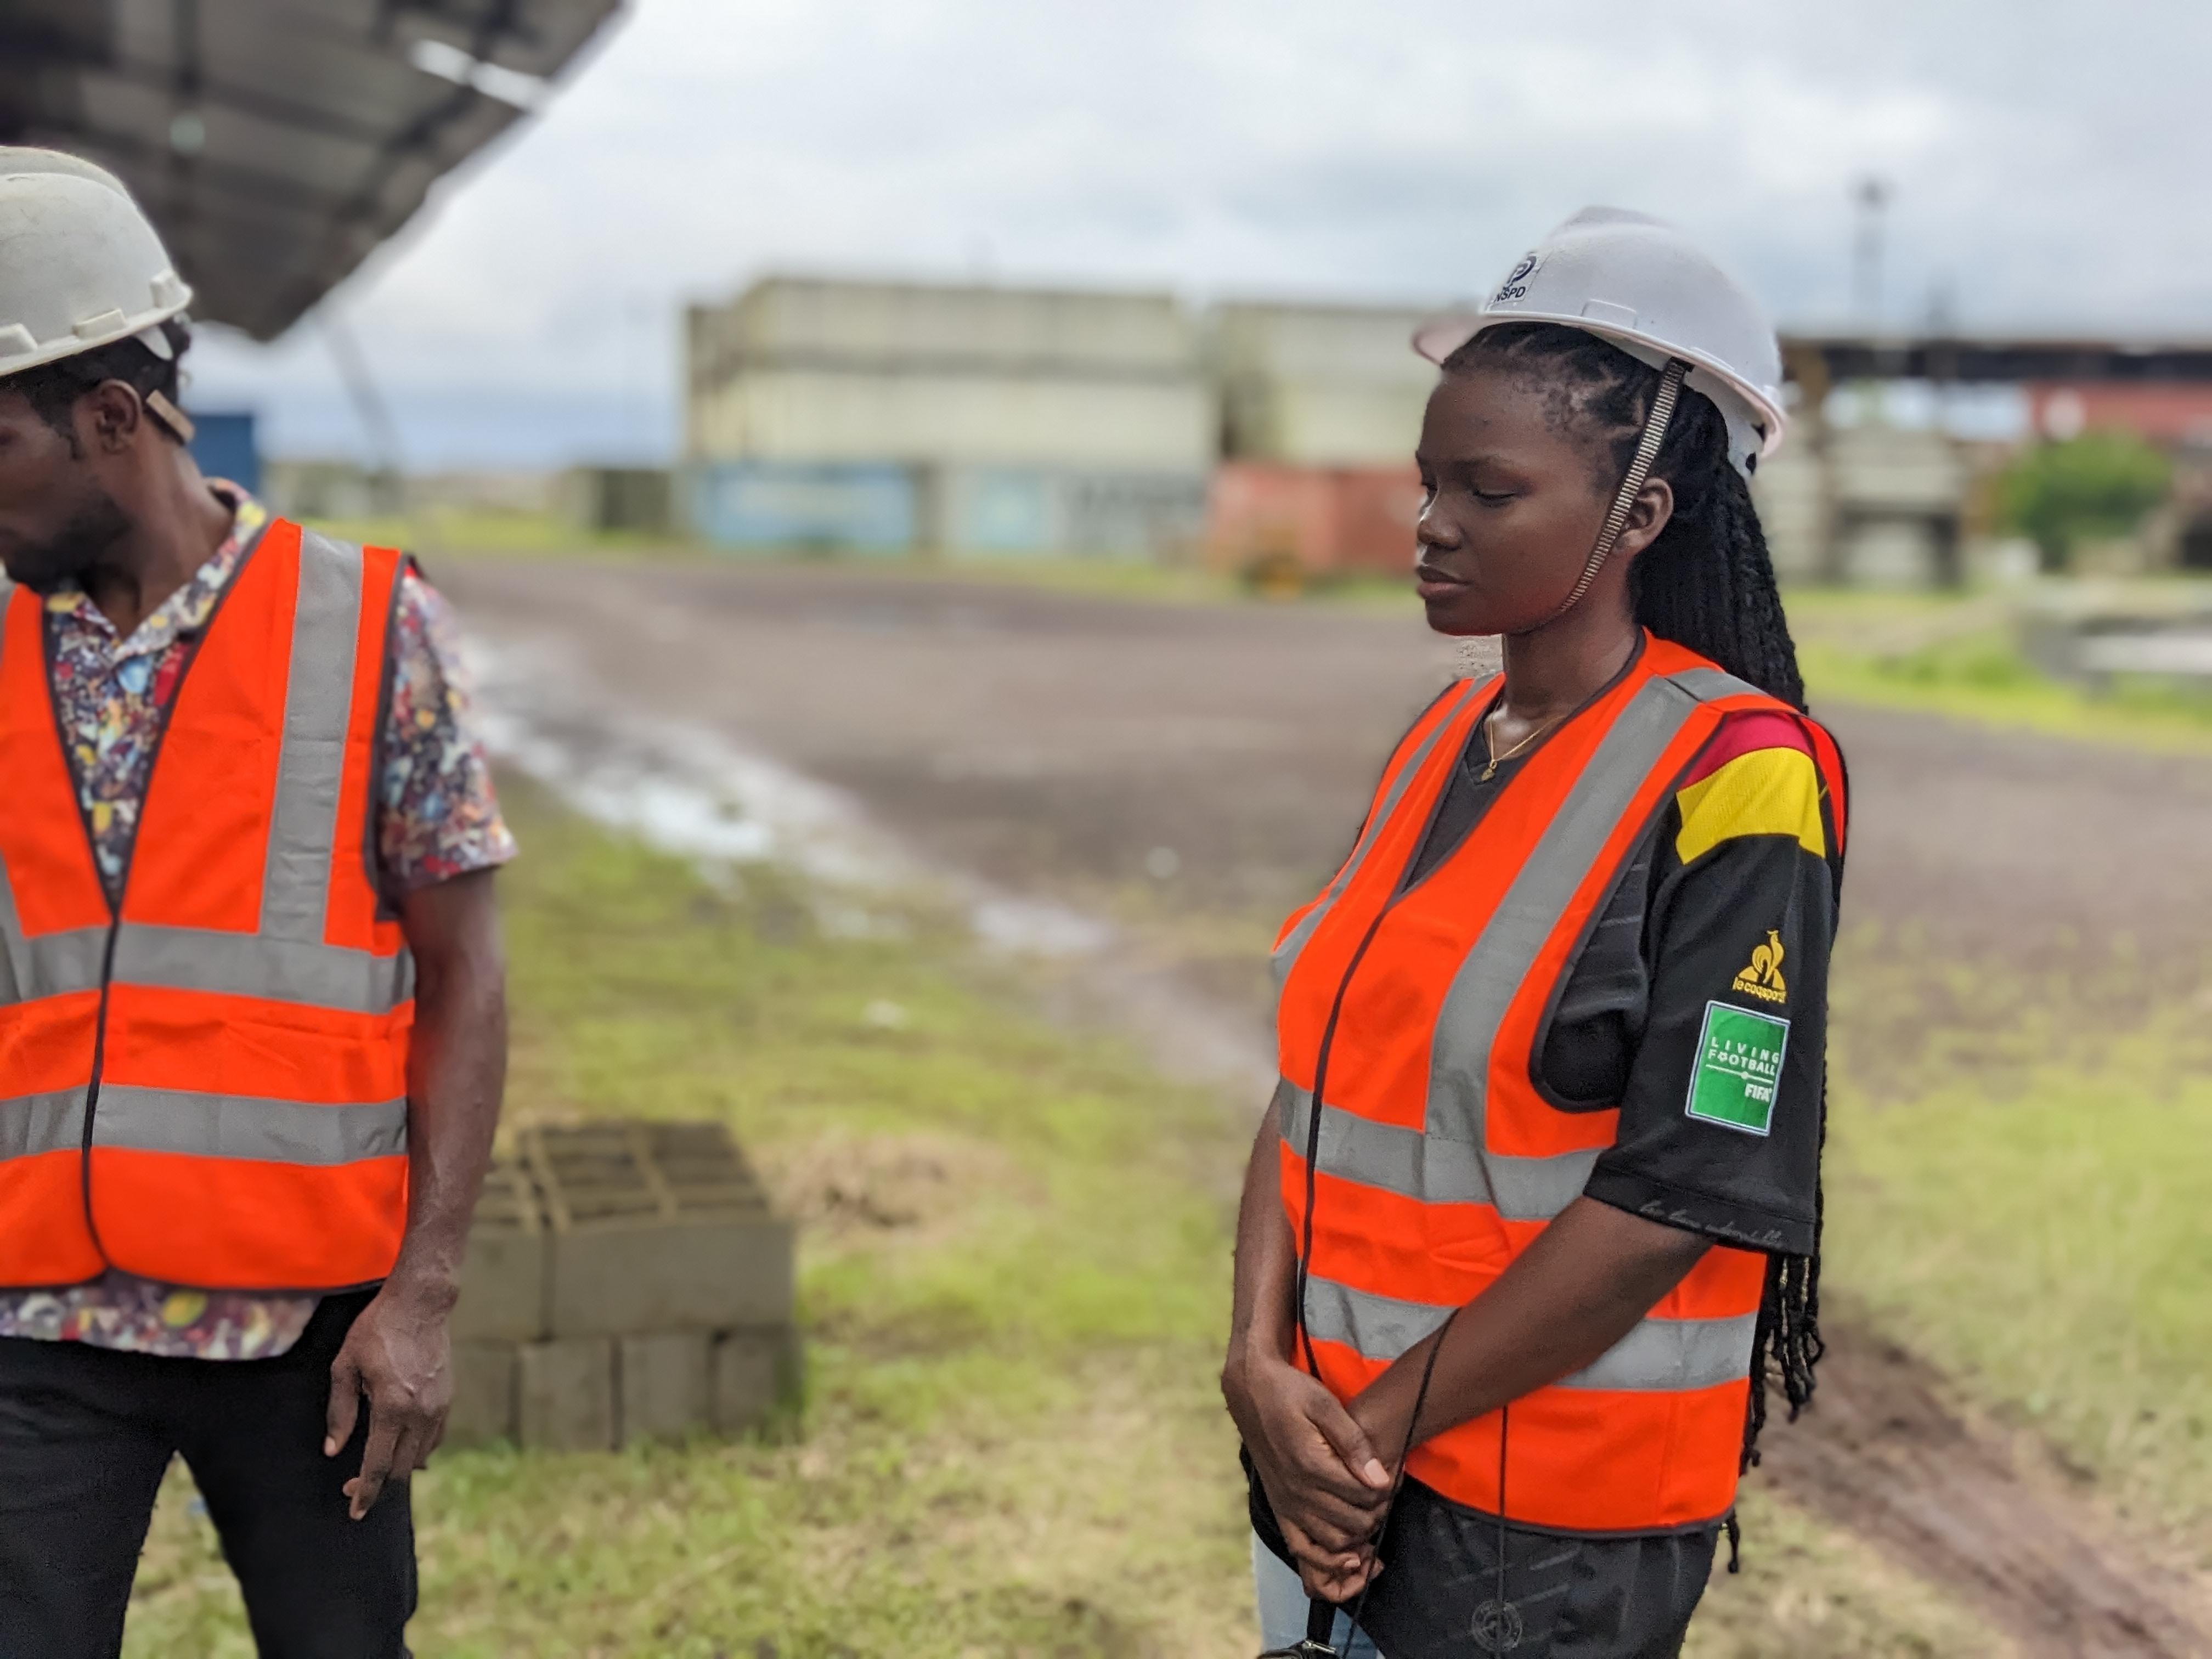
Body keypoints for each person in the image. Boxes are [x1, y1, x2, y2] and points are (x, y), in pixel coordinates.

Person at [1222, 208, 1847, 1659]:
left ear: (1641, 514)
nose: (1431, 525)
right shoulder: (1444, 738)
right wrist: (1255, 1364)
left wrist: (1364, 1439)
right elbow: (1321, 1084)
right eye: (1430, 483)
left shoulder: (1741, 774)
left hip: (1541, 1539)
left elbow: (1682, 1190)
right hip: (1326, 1471)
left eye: (1488, 490)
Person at [0, 148, 512, 1656]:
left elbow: (465, 975)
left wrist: (422, 1297)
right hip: (34, 1325)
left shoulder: (371, 627)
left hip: (308, 1332)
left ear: (112, 416)